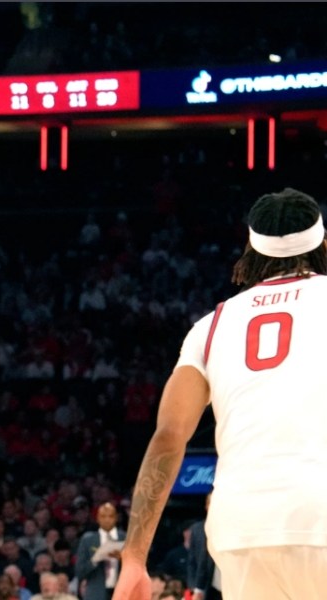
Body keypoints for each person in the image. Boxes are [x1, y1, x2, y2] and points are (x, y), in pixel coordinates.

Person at [114, 188, 327, 600]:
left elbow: (168, 438)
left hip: (241, 530)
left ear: (251, 248)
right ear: (322, 242)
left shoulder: (211, 326)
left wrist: (135, 558)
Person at [76, 502, 125, 600]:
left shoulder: (125, 538)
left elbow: (138, 565)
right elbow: (79, 571)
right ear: (97, 518)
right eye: (103, 516)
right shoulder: (87, 540)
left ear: (116, 518)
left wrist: (122, 558)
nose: (107, 520)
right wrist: (95, 560)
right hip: (96, 593)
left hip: (122, 592)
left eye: (110, 516)